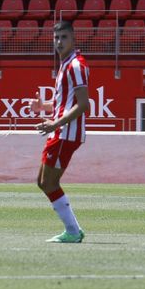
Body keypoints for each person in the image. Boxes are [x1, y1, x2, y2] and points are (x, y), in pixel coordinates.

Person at [36, 18, 89, 243]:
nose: (59, 42)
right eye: (56, 37)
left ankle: (73, 232)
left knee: (48, 182)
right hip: (61, 131)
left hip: (66, 133)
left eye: (64, 37)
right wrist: (44, 107)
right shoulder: (65, 63)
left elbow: (84, 104)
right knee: (42, 181)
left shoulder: (76, 65)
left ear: (73, 38)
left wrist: (55, 124)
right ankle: (73, 230)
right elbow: (65, 103)